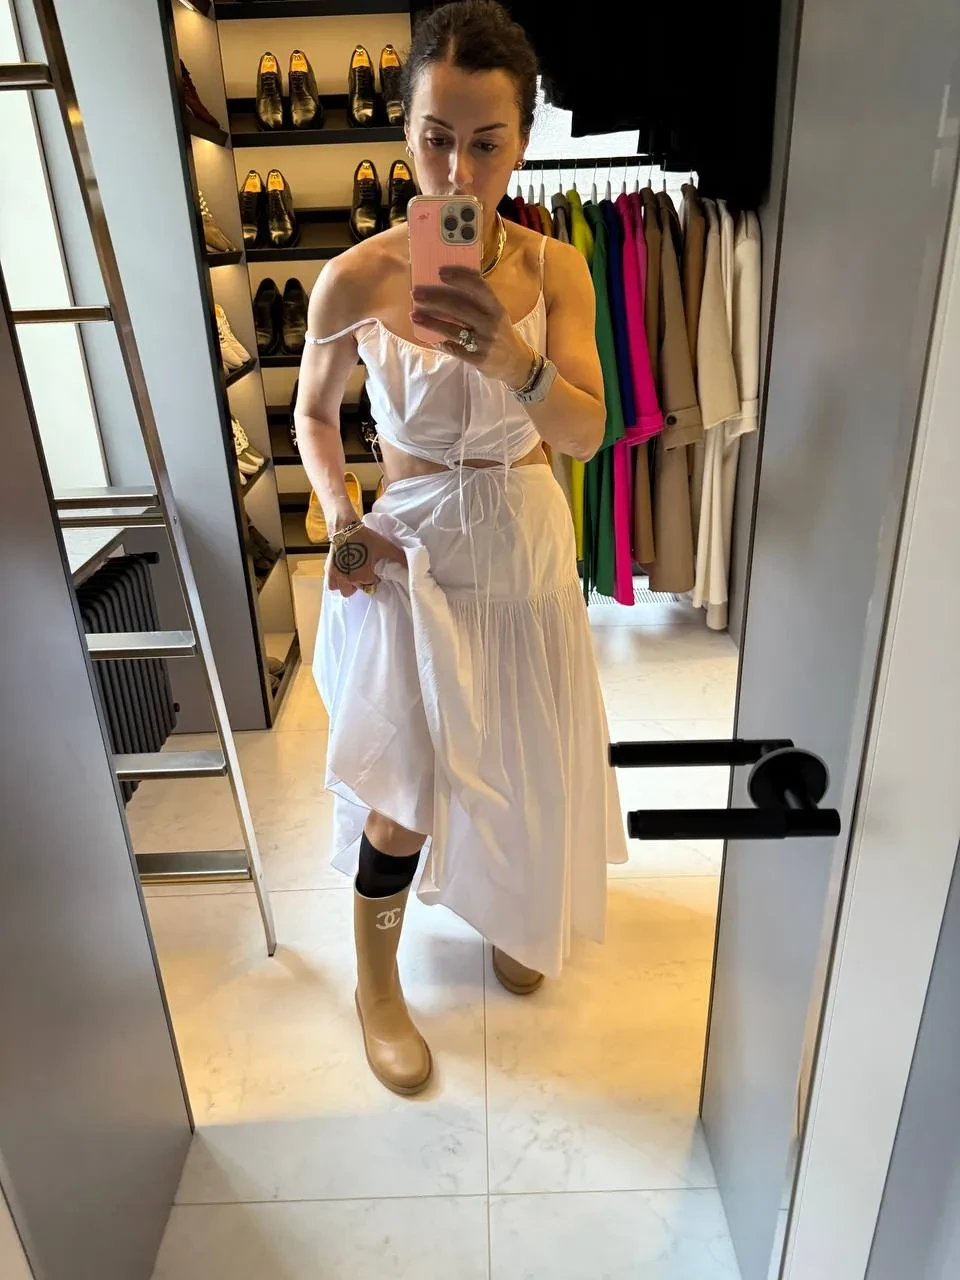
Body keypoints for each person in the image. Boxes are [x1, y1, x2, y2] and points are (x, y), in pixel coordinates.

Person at [295, 0, 627, 1097]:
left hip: (525, 556)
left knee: (522, 754)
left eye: (486, 142)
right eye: (437, 137)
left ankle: (513, 905)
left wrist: (510, 360)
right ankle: (376, 983)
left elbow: (586, 433)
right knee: (406, 785)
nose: (458, 170)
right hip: (412, 559)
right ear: (406, 131)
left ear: (522, 140)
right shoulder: (357, 277)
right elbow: (312, 415)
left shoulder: (557, 271)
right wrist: (342, 515)